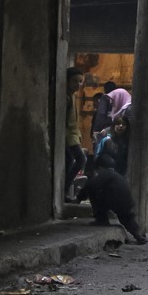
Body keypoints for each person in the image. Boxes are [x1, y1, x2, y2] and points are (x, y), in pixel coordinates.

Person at [96, 115, 148, 222]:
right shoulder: (107, 140)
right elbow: (98, 157)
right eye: (118, 124)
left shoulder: (130, 140)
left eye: (124, 124)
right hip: (111, 171)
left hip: (128, 169)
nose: (121, 126)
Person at [76, 154, 147, 245]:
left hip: (115, 201)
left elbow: (91, 186)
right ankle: (138, 235)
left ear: (100, 167)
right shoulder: (117, 175)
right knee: (127, 218)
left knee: (93, 192)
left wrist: (80, 197)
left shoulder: (104, 174)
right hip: (126, 202)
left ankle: (102, 219)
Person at [65, 68, 87, 203]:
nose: (78, 84)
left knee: (69, 161)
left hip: (73, 134)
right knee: (81, 159)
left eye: (80, 82)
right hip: (68, 135)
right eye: (74, 81)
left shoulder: (72, 96)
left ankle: (64, 191)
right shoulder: (66, 97)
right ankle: (64, 189)